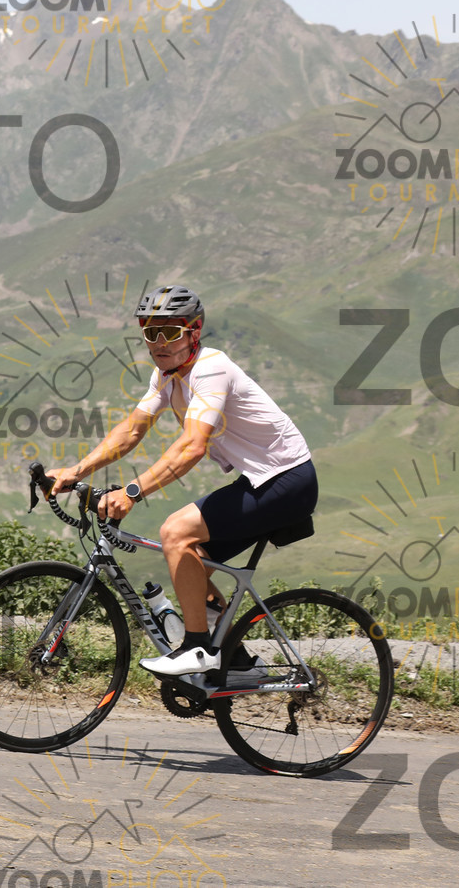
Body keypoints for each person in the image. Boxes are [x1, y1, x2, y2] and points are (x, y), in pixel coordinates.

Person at [47, 285, 315, 676]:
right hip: (261, 479)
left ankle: (198, 648)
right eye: (150, 331)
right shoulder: (167, 376)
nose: (158, 342)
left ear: (194, 332)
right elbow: (131, 430)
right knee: (190, 564)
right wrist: (76, 471)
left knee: (175, 532)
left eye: (170, 331)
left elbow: (192, 446)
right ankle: (237, 662)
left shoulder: (211, 369)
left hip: (287, 480)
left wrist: (133, 491)